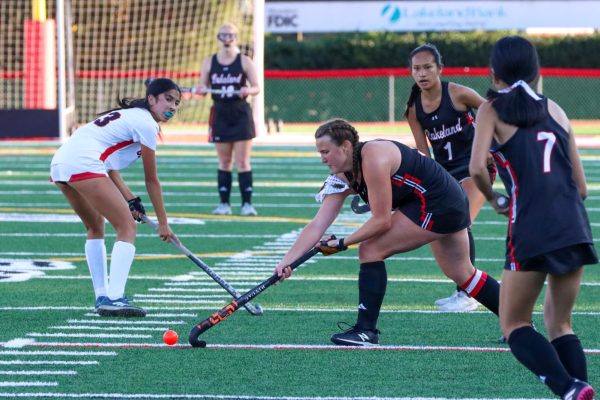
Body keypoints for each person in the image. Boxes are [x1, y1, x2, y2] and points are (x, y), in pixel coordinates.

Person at [274, 118, 501, 346]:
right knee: (463, 273)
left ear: (345, 146)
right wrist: (287, 262)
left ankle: (366, 331)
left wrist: (342, 243)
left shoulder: (373, 158)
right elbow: (317, 224)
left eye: (326, 152)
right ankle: (517, 323)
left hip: (437, 203)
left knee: (370, 249)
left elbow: (381, 221)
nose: (322, 158)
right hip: (445, 200)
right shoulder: (341, 175)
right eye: (319, 152)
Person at [470, 36, 597, 400]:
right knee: (560, 324)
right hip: (573, 221)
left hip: (531, 224)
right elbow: (583, 188)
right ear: (536, 69)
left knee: (514, 324)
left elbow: (477, 167)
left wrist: (495, 197)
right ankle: (578, 391)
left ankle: (568, 386)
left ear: (494, 73)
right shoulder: (556, 108)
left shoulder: (491, 108)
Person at [50, 78, 181, 318]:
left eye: (177, 103)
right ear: (151, 99)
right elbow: (151, 179)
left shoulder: (131, 117)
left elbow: (110, 167)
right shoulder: (146, 123)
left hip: (61, 163)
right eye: (168, 99)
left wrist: (130, 200)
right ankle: (115, 297)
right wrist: (163, 222)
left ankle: (103, 296)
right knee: (126, 226)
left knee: (95, 226)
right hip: (83, 162)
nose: (173, 106)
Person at [405, 43, 492, 312]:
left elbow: (492, 110)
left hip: (476, 164)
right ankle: (465, 289)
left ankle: (467, 294)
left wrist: (490, 146)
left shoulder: (457, 93)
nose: (422, 73)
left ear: (440, 69)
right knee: (447, 227)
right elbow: (423, 153)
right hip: (445, 173)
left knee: (461, 220)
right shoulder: (414, 109)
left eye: (427, 67)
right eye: (416, 68)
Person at [195, 22, 260, 216]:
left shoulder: (244, 61)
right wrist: (200, 90)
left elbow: (256, 87)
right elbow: (202, 89)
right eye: (223, 35)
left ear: (236, 37)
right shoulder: (209, 61)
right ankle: (224, 204)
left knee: (242, 162)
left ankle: (247, 205)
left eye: (230, 35)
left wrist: (247, 89)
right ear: (218, 38)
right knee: (224, 161)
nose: (226, 39)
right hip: (220, 113)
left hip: (240, 113)